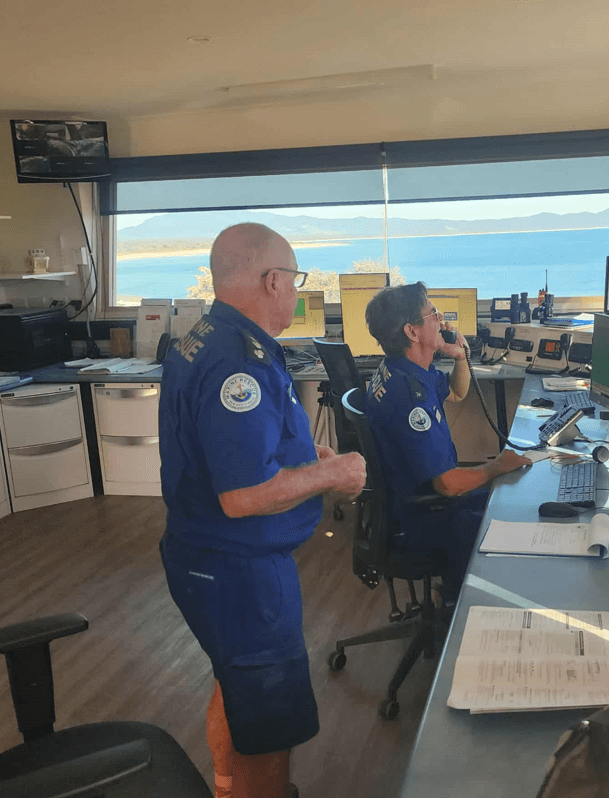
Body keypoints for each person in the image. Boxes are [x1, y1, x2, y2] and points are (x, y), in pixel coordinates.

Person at [158, 223, 366, 798]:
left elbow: (231, 448)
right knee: (269, 732)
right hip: (239, 573)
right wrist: (333, 474)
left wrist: (305, 456)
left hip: (202, 557)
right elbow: (242, 496)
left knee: (236, 688)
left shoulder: (206, 336)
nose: (296, 291)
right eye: (295, 279)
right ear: (272, 281)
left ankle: (228, 790)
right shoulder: (239, 363)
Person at [364, 282, 532, 596]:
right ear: (412, 332)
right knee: (515, 511)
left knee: (512, 498)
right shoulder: (409, 397)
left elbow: (456, 391)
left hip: (419, 504)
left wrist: (460, 357)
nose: (441, 320)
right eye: (433, 314)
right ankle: (467, 604)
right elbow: (448, 485)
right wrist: (496, 466)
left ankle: (455, 593)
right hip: (425, 519)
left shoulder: (402, 369)